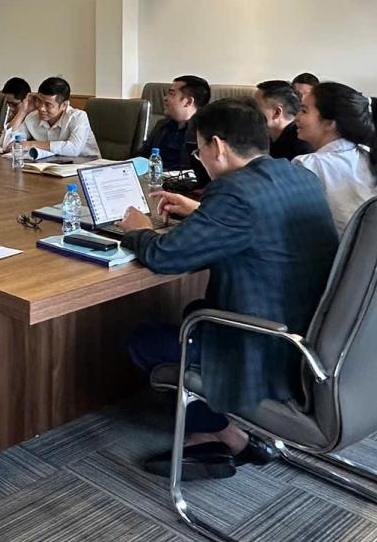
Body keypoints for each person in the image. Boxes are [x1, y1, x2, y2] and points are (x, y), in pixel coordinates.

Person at [119, 98, 340, 479]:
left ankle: (223, 434)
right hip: (310, 334)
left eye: (199, 149)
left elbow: (165, 256)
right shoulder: (298, 175)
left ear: (217, 146)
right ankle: (218, 425)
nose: (200, 158)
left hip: (264, 347)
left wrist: (138, 230)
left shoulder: (233, 191)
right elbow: (258, 222)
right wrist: (199, 211)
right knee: (194, 312)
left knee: (145, 340)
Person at [293, 82, 377, 228]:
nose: (296, 117)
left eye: (304, 111)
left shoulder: (308, 165)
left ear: (330, 123)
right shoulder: (368, 155)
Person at [11, 76, 100, 160]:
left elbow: (74, 149)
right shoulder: (32, 117)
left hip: (87, 165)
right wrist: (23, 111)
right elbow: (9, 143)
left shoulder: (78, 117)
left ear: (64, 105)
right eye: (39, 101)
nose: (41, 108)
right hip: (52, 164)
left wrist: (32, 144)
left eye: (48, 105)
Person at [147, 75, 210, 190]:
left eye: (171, 94)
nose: (165, 98)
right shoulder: (162, 125)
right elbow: (142, 156)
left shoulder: (204, 132)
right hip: (154, 184)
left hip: (186, 190)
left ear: (188, 102)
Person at [253, 80, 310, 160]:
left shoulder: (302, 143)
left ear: (277, 113)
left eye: (255, 107)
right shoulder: (259, 134)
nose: (250, 111)